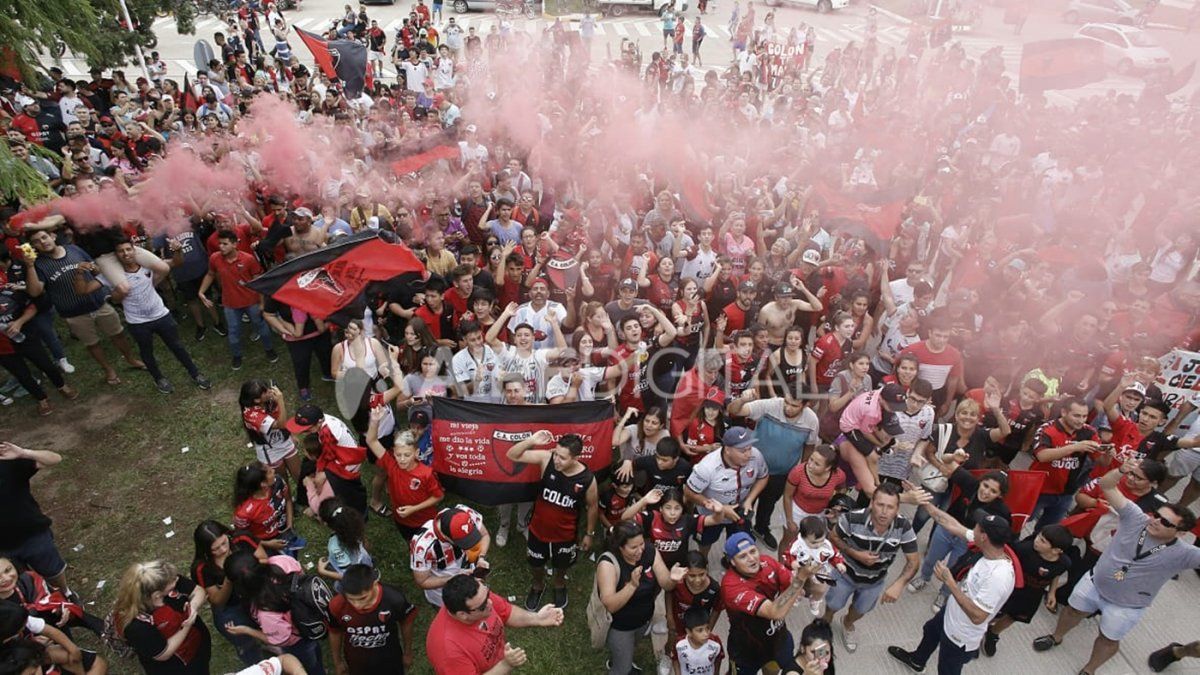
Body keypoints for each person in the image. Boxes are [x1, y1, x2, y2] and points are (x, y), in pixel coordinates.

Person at [1031, 461, 1200, 675]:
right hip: (1094, 582)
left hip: (1126, 606)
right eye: (1157, 515)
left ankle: (1089, 669)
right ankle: (1056, 637)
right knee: (1072, 611)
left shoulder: (1185, 554)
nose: (1156, 521)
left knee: (1108, 639)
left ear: (1181, 533)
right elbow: (1107, 485)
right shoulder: (1136, 518)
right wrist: (1121, 470)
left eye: (1166, 523)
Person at [887, 507, 1016, 675]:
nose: (972, 528)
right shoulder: (988, 547)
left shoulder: (998, 577)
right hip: (951, 613)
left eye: (977, 526)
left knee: (948, 669)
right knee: (930, 631)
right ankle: (917, 660)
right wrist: (925, 503)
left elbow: (978, 616)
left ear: (984, 537)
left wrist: (950, 582)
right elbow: (950, 523)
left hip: (960, 635)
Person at [73, 238, 210, 393]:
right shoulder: (111, 276)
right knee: (147, 352)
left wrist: (177, 250)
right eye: (120, 251)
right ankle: (159, 378)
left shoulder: (147, 265)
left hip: (161, 316)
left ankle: (196, 374)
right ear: (116, 255)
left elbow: (175, 263)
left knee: (177, 346)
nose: (125, 254)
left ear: (134, 250)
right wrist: (79, 272)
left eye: (128, 249)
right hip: (138, 323)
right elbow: (82, 291)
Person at [24, 229, 145, 384]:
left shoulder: (73, 249)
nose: (42, 242)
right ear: (33, 246)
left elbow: (97, 270)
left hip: (99, 303)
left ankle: (131, 359)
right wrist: (29, 266)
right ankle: (108, 370)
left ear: (53, 236)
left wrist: (93, 269)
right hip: (74, 313)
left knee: (118, 334)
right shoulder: (38, 265)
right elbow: (35, 292)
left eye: (44, 237)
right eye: (36, 241)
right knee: (92, 343)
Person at [824, 482, 921, 654]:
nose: (884, 512)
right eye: (880, 505)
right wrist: (854, 553)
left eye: (890, 507)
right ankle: (825, 623)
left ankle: (847, 624)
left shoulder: (903, 527)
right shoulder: (852, 518)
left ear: (897, 509)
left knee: (861, 610)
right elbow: (833, 537)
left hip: (874, 581)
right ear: (871, 503)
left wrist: (899, 584)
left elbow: (913, 561)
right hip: (845, 573)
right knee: (833, 604)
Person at [506, 430, 598, 610]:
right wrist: (531, 440)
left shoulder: (587, 479)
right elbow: (512, 455)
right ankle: (538, 585)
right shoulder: (546, 459)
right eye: (556, 454)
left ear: (576, 458)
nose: (556, 460)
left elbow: (593, 506)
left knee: (562, 564)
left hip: (565, 535)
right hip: (538, 529)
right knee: (536, 563)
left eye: (562, 458)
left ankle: (559, 584)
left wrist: (589, 534)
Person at [426, 572, 564, 674]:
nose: (491, 604)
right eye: (483, 606)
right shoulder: (448, 651)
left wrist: (537, 618)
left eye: (487, 595)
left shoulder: (478, 600)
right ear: (463, 614)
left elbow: (508, 612)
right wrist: (505, 665)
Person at [596, 521, 687, 675]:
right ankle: (620, 666)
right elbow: (610, 605)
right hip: (620, 626)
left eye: (641, 544)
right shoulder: (608, 563)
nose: (640, 551)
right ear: (620, 546)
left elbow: (665, 583)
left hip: (644, 620)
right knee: (622, 669)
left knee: (629, 648)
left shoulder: (650, 551)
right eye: (633, 547)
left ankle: (620, 658)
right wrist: (632, 585)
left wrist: (672, 578)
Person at [720, 531, 815, 673]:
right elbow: (775, 612)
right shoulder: (731, 586)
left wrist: (808, 571)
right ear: (732, 561)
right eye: (743, 556)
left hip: (778, 641)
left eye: (753, 551)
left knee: (773, 671)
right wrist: (800, 579)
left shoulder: (767, 562)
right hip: (746, 652)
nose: (751, 559)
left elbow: (796, 588)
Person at [982, 524, 1074, 657]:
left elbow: (1056, 575)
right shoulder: (1023, 549)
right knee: (993, 612)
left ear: (1056, 550)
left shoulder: (1064, 563)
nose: (1036, 540)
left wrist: (1052, 593)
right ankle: (977, 634)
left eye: (1043, 541)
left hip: (1032, 596)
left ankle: (993, 633)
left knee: (1013, 617)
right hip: (1011, 589)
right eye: (1039, 536)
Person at [0, 442, 73, 598]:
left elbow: (55, 459)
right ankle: (36, 604)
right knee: (16, 581)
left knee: (52, 570)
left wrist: (24, 453)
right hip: (2, 548)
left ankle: (65, 593)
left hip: (32, 533)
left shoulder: (6, 460)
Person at [113, 560, 212, 675]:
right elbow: (163, 653)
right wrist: (186, 626)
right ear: (156, 595)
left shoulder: (165, 580)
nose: (177, 582)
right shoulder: (135, 626)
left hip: (197, 648)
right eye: (171, 588)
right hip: (175, 668)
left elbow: (197, 591)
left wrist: (192, 607)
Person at [198, 229, 278, 370]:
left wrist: (261, 303)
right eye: (219, 244)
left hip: (251, 302)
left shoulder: (248, 259)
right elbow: (210, 274)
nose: (220, 247)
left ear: (235, 244)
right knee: (234, 331)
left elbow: (257, 281)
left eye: (224, 244)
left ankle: (269, 349)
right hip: (230, 304)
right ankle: (237, 355)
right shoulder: (215, 258)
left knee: (261, 327)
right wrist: (201, 292)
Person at [684, 427, 769, 558]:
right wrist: (720, 509)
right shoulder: (706, 467)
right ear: (728, 450)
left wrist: (749, 500)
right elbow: (689, 492)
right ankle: (704, 562)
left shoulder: (756, 455)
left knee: (741, 545)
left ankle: (730, 561)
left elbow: (763, 477)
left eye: (749, 448)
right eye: (742, 451)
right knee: (705, 542)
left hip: (740, 512)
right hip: (710, 515)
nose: (748, 454)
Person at [190, 521, 264, 666]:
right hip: (231, 606)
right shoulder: (201, 567)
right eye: (215, 549)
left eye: (224, 543)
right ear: (205, 550)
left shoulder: (241, 539)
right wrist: (228, 578)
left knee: (270, 622)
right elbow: (217, 601)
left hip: (253, 591)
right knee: (243, 640)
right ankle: (257, 664)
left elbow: (263, 559)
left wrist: (244, 566)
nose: (223, 550)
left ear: (227, 535)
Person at [366, 411, 444, 542]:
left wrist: (413, 509)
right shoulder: (391, 464)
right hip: (401, 520)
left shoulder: (426, 473)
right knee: (410, 543)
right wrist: (374, 421)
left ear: (416, 453)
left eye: (407, 455)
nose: (402, 459)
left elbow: (439, 496)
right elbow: (371, 441)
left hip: (424, 521)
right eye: (398, 455)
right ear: (394, 453)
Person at [328, 564, 417, 675]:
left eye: (362, 598)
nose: (357, 605)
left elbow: (407, 622)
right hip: (357, 663)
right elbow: (335, 632)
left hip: (390, 660)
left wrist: (407, 652)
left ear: (374, 584)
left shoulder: (394, 599)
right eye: (351, 599)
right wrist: (338, 662)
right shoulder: (337, 605)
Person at [409, 505, 491, 607]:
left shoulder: (465, 514)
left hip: (467, 570)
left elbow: (484, 535)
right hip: (443, 590)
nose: (468, 547)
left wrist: (481, 557)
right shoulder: (422, 547)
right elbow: (422, 581)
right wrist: (453, 578)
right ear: (445, 536)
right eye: (463, 542)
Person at [671, 606, 724, 675]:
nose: (706, 633)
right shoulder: (679, 644)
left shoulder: (715, 643)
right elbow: (675, 659)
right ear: (689, 632)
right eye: (700, 630)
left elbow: (718, 659)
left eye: (707, 628)